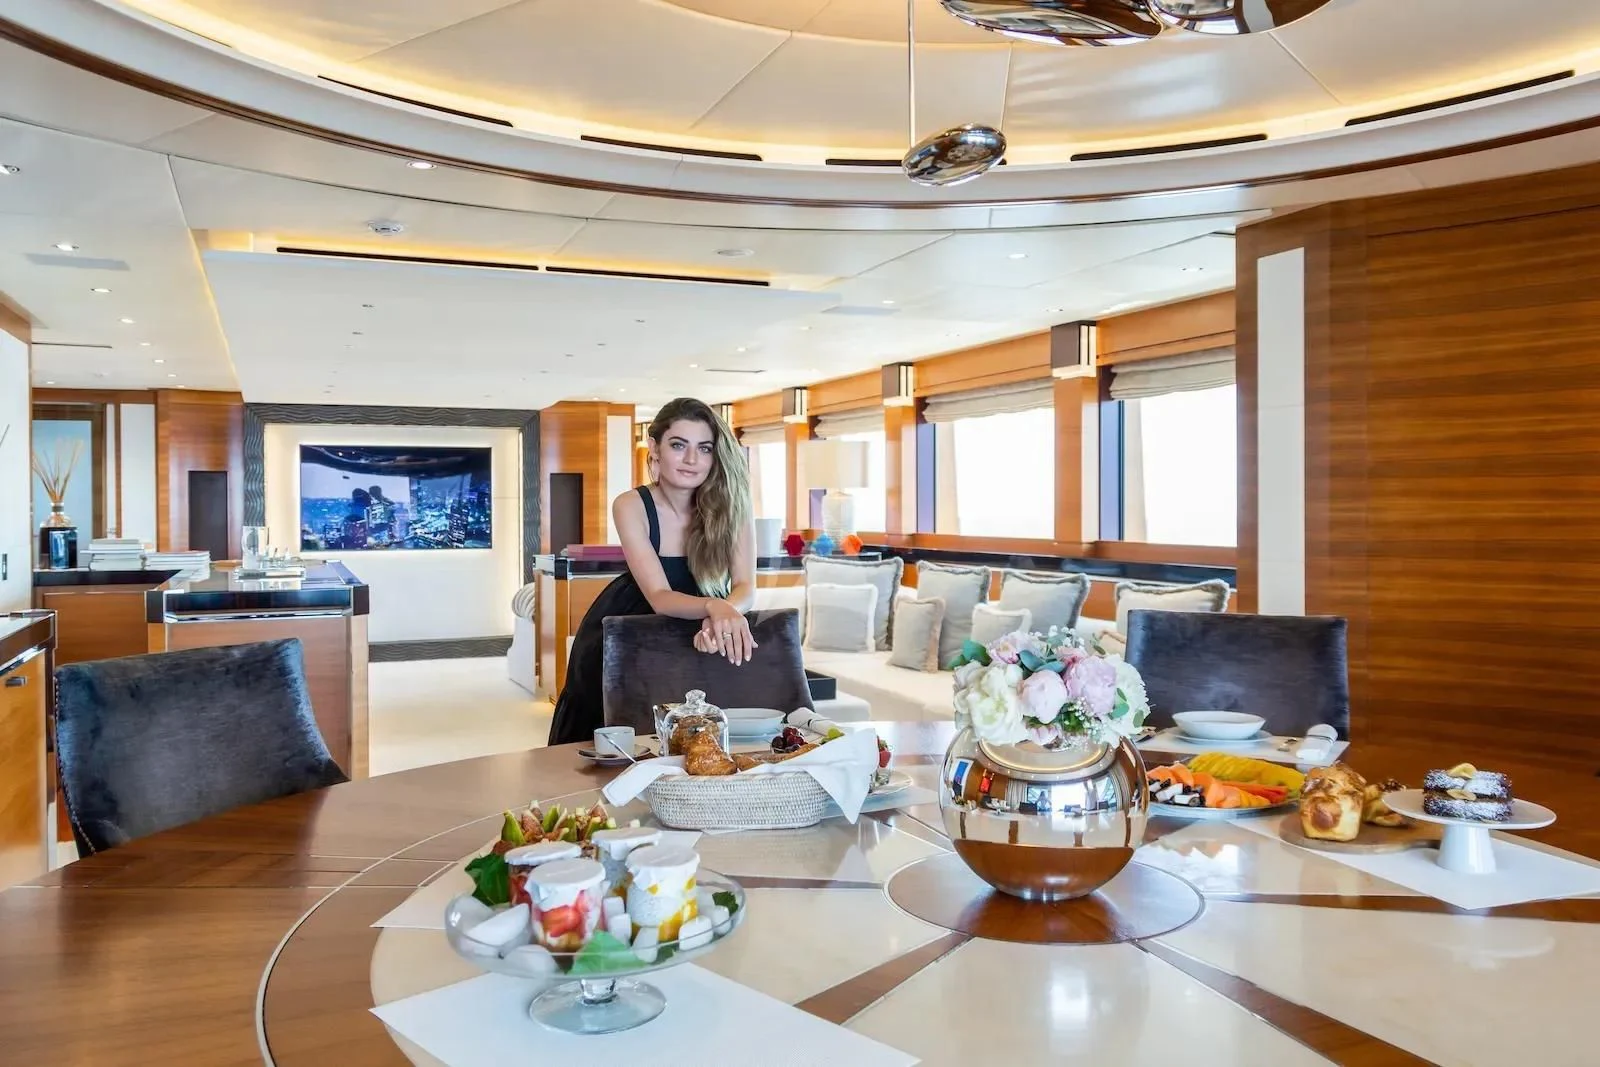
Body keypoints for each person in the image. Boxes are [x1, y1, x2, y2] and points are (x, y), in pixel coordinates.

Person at [546, 397, 757, 747]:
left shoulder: (734, 504)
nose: (692, 459)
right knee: (617, 747)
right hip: (630, 629)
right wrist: (713, 607)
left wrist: (724, 615)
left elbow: (746, 585)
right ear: (655, 449)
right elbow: (659, 596)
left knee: (701, 742)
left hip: (703, 627)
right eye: (679, 445)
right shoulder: (630, 505)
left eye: (704, 448)